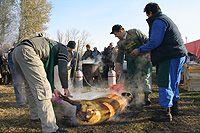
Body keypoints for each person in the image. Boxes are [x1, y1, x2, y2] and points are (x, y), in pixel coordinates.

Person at [131, 2, 187, 122]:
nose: (147, 18)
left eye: (147, 15)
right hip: (178, 54)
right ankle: (174, 108)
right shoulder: (165, 19)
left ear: (150, 13)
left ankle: (165, 112)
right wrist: (148, 51)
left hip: (169, 56)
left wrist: (140, 50)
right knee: (174, 81)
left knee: (164, 82)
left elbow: (155, 42)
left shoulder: (158, 21)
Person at [12, 33, 71, 132]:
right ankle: (50, 128)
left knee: (30, 87)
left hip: (17, 52)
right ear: (68, 54)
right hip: (28, 51)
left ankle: (35, 116)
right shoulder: (64, 50)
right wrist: (65, 88)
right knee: (43, 90)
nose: (65, 61)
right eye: (67, 60)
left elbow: (43, 73)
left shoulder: (51, 49)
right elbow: (63, 70)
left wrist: (54, 89)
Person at [110, 24, 152, 106]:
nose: (115, 36)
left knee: (145, 77)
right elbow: (120, 57)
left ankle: (147, 97)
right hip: (131, 62)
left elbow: (148, 42)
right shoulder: (120, 43)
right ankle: (135, 97)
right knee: (132, 79)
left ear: (120, 31)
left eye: (116, 34)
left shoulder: (135, 32)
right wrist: (116, 69)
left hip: (143, 59)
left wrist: (150, 54)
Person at [8, 42, 28, 108]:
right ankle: (20, 102)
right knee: (17, 80)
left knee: (28, 80)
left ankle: (30, 100)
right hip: (13, 57)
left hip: (24, 56)